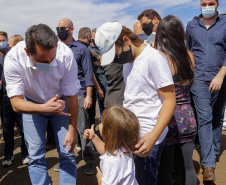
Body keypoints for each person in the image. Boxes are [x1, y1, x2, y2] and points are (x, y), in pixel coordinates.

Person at [95, 21, 176, 185]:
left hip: (148, 139)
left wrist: (153, 137)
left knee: (145, 180)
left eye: (116, 52)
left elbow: (169, 100)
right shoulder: (128, 62)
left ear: (126, 40)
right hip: (131, 136)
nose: (117, 58)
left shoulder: (154, 59)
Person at [4, 24, 80, 185]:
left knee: (68, 153)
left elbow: (72, 96)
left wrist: (72, 130)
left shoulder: (65, 54)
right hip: (31, 106)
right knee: (36, 157)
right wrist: (43, 107)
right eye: (42, 60)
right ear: (27, 52)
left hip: (62, 105)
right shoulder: (13, 58)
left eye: (52, 59)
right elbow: (16, 103)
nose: (49, 64)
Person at [186, 0, 226, 181]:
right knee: (205, 118)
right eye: (203, 3)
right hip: (199, 79)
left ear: (218, 4)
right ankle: (208, 164)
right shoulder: (191, 25)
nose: (207, 6)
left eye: (211, 2)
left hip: (222, 77)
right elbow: (188, 51)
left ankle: (214, 151)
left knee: (217, 117)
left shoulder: (225, 24)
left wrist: (220, 76)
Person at [155, 15, 197, 185]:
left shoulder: (161, 57)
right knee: (188, 167)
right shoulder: (189, 56)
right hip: (188, 116)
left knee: (165, 168)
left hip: (168, 118)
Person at [56, 19, 96, 175]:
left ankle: (90, 161)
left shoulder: (81, 49)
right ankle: (66, 160)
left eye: (62, 28)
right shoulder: (56, 48)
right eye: (57, 28)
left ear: (71, 29)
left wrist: (89, 96)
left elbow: (88, 74)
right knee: (62, 130)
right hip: (60, 95)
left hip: (78, 94)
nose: (59, 30)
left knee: (82, 129)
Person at [83, 106, 139, 185]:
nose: (99, 124)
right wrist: (93, 137)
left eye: (102, 122)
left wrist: (100, 179)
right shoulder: (126, 147)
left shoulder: (110, 163)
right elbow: (107, 152)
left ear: (108, 132)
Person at [2, 34, 29, 166]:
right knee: (7, 127)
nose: (8, 46)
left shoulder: (22, 59)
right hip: (6, 97)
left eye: (10, 44)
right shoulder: (7, 57)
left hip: (20, 97)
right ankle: (8, 155)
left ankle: (25, 153)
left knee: (23, 127)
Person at [88, 28, 107, 121]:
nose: (95, 39)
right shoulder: (88, 48)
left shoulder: (103, 48)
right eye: (94, 37)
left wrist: (98, 58)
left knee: (104, 105)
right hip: (92, 82)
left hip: (103, 81)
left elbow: (105, 62)